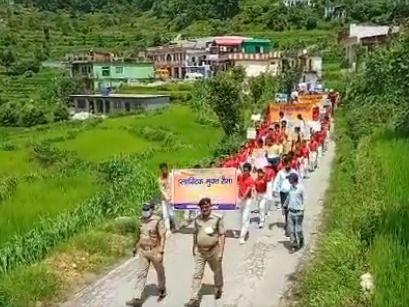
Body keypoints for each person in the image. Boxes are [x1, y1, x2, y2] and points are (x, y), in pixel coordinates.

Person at [185, 198, 225, 307]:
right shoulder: (197, 220)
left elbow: (222, 235)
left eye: (206, 207)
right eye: (202, 207)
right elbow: (195, 233)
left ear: (210, 207)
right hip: (200, 251)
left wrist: (221, 251)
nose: (204, 209)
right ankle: (194, 298)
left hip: (213, 250)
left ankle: (218, 287)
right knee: (197, 274)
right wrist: (193, 246)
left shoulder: (217, 219)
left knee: (217, 270)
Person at [126, 203, 167, 307]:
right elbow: (138, 235)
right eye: (143, 209)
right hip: (143, 251)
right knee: (141, 274)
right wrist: (135, 247)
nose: (145, 211)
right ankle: (137, 298)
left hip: (155, 250)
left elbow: (162, 236)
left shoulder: (157, 220)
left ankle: (162, 289)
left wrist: (161, 252)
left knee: (160, 271)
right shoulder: (141, 220)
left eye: (147, 209)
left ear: (151, 210)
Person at [273, 158, 298, 234]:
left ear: (291, 164)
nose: (288, 165)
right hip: (283, 193)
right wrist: (275, 190)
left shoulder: (294, 172)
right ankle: (287, 222)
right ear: (284, 164)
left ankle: (289, 227)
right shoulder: (281, 173)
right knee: (285, 209)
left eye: (289, 163)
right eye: (286, 164)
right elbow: (276, 181)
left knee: (290, 209)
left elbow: (298, 181)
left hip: (291, 193)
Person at [284, 173, 305, 250]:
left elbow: (304, 200)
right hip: (290, 212)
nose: (288, 180)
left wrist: (302, 209)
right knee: (291, 230)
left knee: (298, 230)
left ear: (293, 180)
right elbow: (289, 197)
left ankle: (301, 239)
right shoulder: (291, 188)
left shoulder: (301, 188)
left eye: (290, 179)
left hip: (298, 212)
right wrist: (284, 205)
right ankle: (294, 244)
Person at [237, 163, 255, 244]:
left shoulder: (250, 179)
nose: (244, 172)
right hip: (240, 199)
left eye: (246, 171)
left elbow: (247, 191)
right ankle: (243, 230)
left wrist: (242, 199)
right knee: (241, 218)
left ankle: (242, 237)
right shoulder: (240, 176)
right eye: (243, 170)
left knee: (245, 218)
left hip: (247, 200)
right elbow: (235, 182)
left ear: (249, 171)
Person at [158, 163, 174, 236]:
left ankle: (176, 225)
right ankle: (168, 230)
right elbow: (162, 189)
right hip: (164, 199)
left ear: (167, 168)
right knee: (165, 214)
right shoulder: (160, 179)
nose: (164, 171)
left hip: (173, 198)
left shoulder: (172, 175)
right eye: (162, 169)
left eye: (165, 169)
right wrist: (166, 197)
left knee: (172, 214)